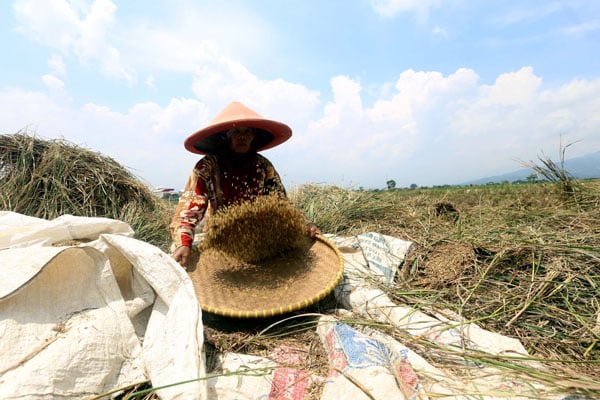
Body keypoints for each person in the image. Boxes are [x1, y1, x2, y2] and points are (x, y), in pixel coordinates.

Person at [170, 101, 321, 267]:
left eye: (247, 131)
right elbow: (190, 207)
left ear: (253, 137)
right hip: (221, 236)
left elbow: (282, 202)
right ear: (226, 137)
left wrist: (305, 224)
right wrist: (184, 242)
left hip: (258, 236)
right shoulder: (207, 167)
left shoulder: (263, 166)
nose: (242, 136)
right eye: (236, 132)